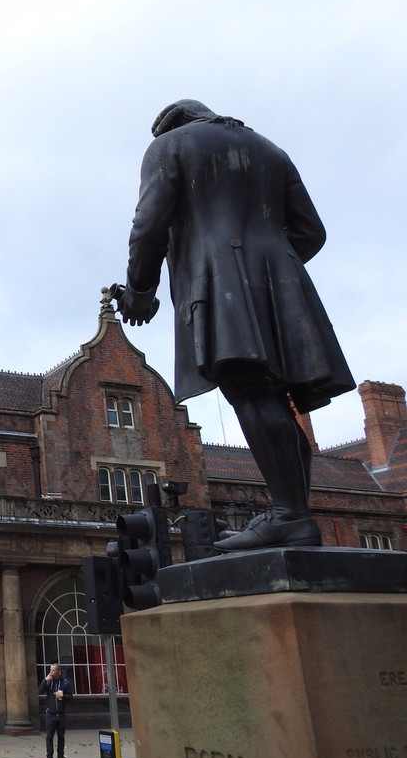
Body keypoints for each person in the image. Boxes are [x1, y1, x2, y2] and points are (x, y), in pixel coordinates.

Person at [120, 100, 355, 551]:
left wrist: (140, 290)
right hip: (281, 283)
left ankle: (290, 516)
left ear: (170, 125)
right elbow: (311, 232)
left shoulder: (169, 146)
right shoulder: (269, 149)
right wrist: (272, 271)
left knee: (248, 388)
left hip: (218, 277)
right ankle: (295, 513)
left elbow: (148, 224)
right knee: (276, 400)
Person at [38, 663, 73, 758]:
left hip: (61, 714)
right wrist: (45, 680)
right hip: (50, 714)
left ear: (59, 671)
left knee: (61, 737)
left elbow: (71, 698)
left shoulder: (65, 683)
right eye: (50, 670)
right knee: (49, 737)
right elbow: (39, 691)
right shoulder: (49, 682)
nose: (51, 672)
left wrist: (63, 696)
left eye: (53, 670)